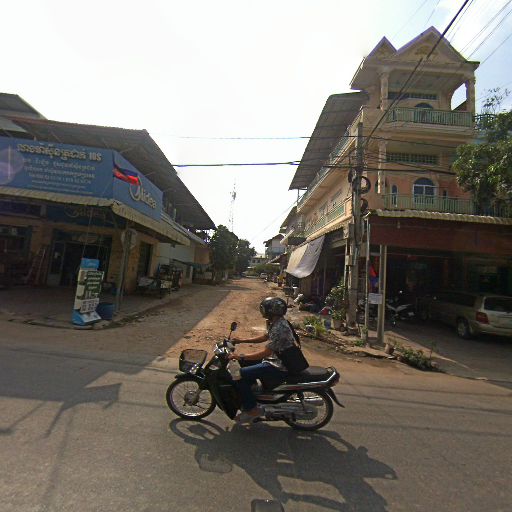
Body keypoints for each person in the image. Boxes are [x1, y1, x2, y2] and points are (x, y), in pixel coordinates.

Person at [229, 296, 296, 424]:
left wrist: (240, 356)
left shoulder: (280, 328)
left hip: (278, 365)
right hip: (275, 360)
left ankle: (252, 409)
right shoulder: (277, 323)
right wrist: (242, 340)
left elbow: (265, 353)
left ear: (271, 311)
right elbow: (265, 337)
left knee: (239, 374)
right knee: (244, 364)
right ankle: (252, 393)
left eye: (265, 309)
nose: (263, 312)